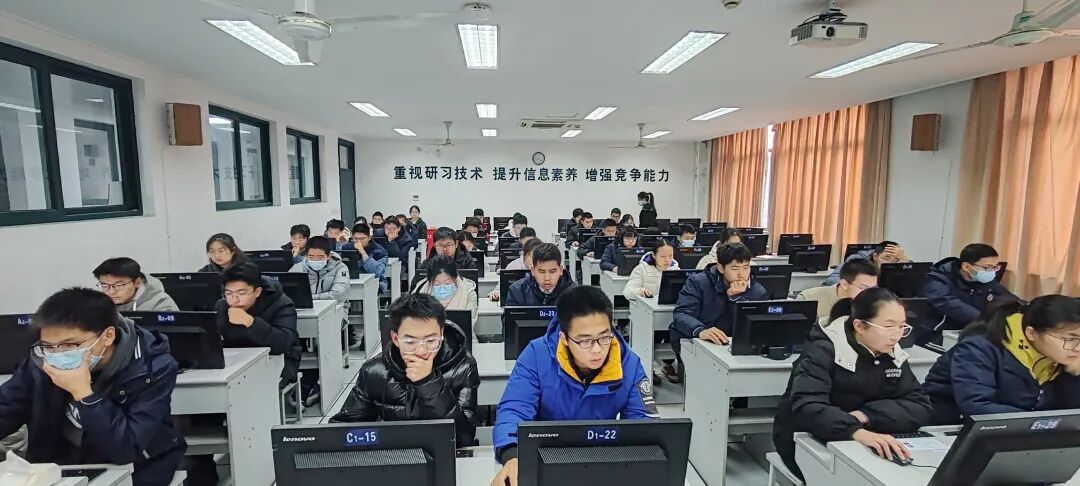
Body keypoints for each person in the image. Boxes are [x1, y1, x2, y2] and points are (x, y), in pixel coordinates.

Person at [0, 288, 185, 485]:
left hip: (139, 466)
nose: (58, 354)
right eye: (48, 345)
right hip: (60, 466)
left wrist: (84, 394)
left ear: (107, 336)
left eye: (70, 345)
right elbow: (6, 409)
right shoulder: (41, 361)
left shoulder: (152, 367)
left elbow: (125, 448)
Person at [491, 286, 658, 485]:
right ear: (564, 338)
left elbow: (644, 425)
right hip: (544, 460)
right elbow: (514, 408)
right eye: (585, 341)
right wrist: (512, 455)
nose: (597, 350)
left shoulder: (629, 364)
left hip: (603, 463)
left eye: (604, 337)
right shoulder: (536, 355)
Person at [772, 288, 933, 480]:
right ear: (859, 326)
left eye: (902, 326)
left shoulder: (892, 353)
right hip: (807, 437)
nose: (897, 335)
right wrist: (854, 430)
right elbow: (808, 406)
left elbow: (920, 405)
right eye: (889, 326)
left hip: (871, 436)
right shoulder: (823, 350)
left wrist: (867, 415)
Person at [331, 293, 480, 446]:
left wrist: (429, 382)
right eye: (410, 342)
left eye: (430, 340)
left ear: (441, 334)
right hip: (393, 454)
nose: (421, 351)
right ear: (395, 338)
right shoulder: (375, 371)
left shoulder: (463, 368)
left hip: (444, 454)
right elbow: (343, 431)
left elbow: (463, 437)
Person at [922, 295, 1080, 425]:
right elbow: (977, 406)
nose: (1077, 347)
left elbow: (1069, 414)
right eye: (1070, 339)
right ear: (1031, 333)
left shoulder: (1060, 356)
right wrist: (1039, 423)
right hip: (951, 426)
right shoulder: (979, 349)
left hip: (1020, 431)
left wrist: (1073, 376)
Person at [669, 243, 767, 383]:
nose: (741, 274)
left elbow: (754, 327)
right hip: (698, 337)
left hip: (733, 344)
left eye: (746, 268)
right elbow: (682, 314)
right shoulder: (698, 282)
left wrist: (735, 299)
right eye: (735, 269)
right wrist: (700, 330)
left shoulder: (757, 291)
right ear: (721, 268)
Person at [215, 262, 301, 386]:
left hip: (277, 361)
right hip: (236, 364)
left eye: (241, 293)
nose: (235, 299)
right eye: (229, 293)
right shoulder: (222, 306)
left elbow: (284, 343)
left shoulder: (281, 304)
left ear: (257, 292)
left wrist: (251, 322)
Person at [921, 243, 1018, 330]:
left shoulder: (984, 280)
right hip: (939, 332)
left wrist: (1024, 312)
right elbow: (949, 304)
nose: (992, 272)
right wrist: (987, 320)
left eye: (995, 267)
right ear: (966, 267)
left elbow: (1009, 299)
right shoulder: (938, 279)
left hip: (973, 329)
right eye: (987, 267)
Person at [797, 259, 879, 321]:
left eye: (874, 288)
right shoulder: (809, 298)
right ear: (844, 284)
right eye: (864, 288)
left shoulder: (878, 304)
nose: (870, 293)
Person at [93, 257, 179, 312]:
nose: (111, 292)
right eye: (104, 286)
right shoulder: (97, 302)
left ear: (137, 282)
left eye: (119, 285)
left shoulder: (160, 303)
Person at [504, 243, 575, 307]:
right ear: (533, 271)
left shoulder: (575, 294)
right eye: (542, 272)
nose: (547, 278)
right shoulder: (517, 291)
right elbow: (509, 317)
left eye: (552, 272)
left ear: (561, 270)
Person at [412, 256, 479, 322]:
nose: (442, 288)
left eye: (447, 283)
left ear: (455, 279)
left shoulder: (469, 293)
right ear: (430, 282)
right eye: (437, 284)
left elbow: (470, 322)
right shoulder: (419, 294)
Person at [288, 236, 350, 304]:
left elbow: (339, 295)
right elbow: (289, 294)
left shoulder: (340, 267)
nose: (315, 260)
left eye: (320, 257)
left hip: (334, 306)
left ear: (328, 256)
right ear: (306, 255)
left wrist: (309, 298)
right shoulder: (297, 268)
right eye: (311, 257)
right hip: (304, 307)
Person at [822, 240, 911, 286]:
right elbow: (831, 280)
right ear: (875, 256)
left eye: (896, 259)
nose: (891, 263)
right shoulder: (857, 259)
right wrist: (857, 285)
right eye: (886, 258)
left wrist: (906, 260)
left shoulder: (900, 263)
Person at [345, 223, 389, 292]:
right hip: (352, 280)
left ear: (369, 238)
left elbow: (377, 272)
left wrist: (363, 252)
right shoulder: (347, 248)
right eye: (356, 239)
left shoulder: (380, 251)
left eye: (362, 239)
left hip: (375, 282)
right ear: (352, 237)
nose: (359, 242)